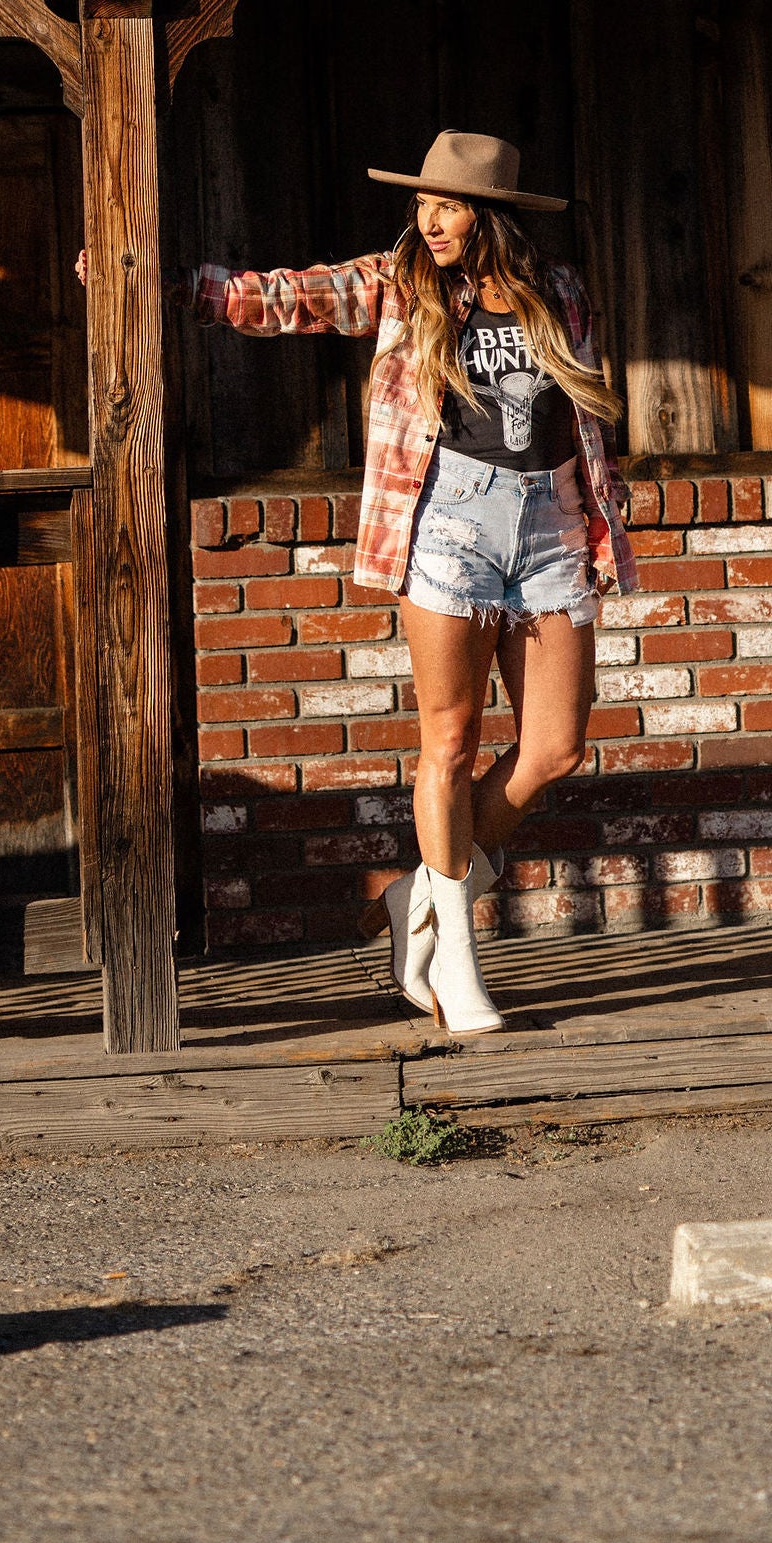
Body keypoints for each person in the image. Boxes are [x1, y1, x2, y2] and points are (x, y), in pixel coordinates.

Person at [175, 129, 634, 1036]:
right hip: (449, 522)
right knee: (451, 741)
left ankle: (415, 896)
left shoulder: (561, 291)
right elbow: (290, 297)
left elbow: (577, 424)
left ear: (489, 213)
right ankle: (457, 964)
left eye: (449, 205)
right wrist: (175, 283)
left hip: (548, 524)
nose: (428, 219)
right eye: (423, 202)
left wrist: (594, 527)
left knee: (554, 746)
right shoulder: (402, 281)